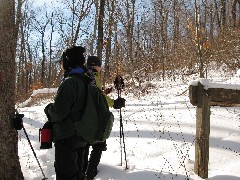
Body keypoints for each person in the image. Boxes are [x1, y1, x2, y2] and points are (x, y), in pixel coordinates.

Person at [44, 46, 91, 180]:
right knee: (78, 174)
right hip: (82, 135)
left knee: (66, 175)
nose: (61, 65)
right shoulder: (87, 79)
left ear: (68, 61)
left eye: (62, 61)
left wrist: (48, 109)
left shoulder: (70, 82)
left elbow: (59, 112)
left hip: (67, 136)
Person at [83, 56, 125, 180]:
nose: (101, 68)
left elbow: (95, 94)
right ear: (95, 66)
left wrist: (104, 93)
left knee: (84, 144)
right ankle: (90, 173)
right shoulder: (93, 77)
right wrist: (114, 103)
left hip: (84, 117)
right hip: (94, 116)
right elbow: (98, 97)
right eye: (99, 65)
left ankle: (83, 170)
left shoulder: (84, 76)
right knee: (99, 143)